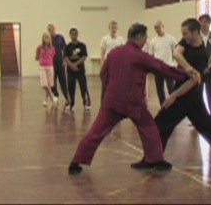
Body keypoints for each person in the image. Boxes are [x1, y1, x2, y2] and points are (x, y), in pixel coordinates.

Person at [68, 23, 188, 175]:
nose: (146, 40)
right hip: (133, 102)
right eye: (145, 37)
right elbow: (162, 68)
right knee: (149, 128)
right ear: (139, 37)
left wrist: (112, 88)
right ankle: (156, 159)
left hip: (111, 101)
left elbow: (103, 74)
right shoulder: (140, 55)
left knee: (96, 131)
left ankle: (76, 162)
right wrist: (184, 74)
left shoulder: (114, 53)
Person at [131, 19, 211, 169]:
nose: (183, 36)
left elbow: (191, 83)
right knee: (208, 127)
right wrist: (188, 68)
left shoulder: (202, 56)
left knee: (161, 123)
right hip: (190, 97)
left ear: (195, 32)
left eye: (185, 33)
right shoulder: (186, 42)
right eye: (182, 33)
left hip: (188, 96)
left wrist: (173, 96)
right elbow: (176, 54)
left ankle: (152, 159)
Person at [148, 21, 177, 106]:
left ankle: (174, 105)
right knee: (159, 89)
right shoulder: (153, 41)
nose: (157, 29)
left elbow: (176, 51)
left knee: (171, 88)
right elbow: (151, 55)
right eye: (156, 28)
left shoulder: (171, 38)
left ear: (163, 27)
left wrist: (175, 63)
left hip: (169, 67)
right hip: (158, 68)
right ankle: (163, 106)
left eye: (159, 27)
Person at [64, 28, 91, 111]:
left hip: (80, 70)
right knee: (71, 87)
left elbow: (84, 57)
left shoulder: (82, 45)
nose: (74, 36)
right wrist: (71, 65)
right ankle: (71, 103)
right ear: (70, 35)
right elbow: (66, 57)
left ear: (77, 35)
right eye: (72, 34)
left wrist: (76, 64)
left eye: (75, 34)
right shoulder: (67, 47)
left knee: (83, 86)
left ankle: (86, 102)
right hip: (70, 71)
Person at [100, 21, 125, 102]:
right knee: (105, 85)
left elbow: (124, 53)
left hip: (118, 66)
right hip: (108, 65)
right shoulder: (104, 39)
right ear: (109, 28)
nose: (114, 29)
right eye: (112, 27)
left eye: (115, 28)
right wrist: (102, 66)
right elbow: (102, 53)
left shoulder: (121, 39)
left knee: (117, 85)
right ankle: (104, 103)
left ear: (117, 29)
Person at [47, 24, 70, 108]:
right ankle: (55, 95)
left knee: (63, 80)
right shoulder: (48, 39)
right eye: (49, 30)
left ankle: (67, 98)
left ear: (54, 29)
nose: (50, 31)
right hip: (51, 63)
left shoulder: (60, 37)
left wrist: (65, 60)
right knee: (52, 81)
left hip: (60, 62)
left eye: (51, 29)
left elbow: (65, 49)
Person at [35, 32, 56, 107]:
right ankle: (52, 98)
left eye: (47, 38)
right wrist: (40, 56)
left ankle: (46, 100)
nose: (46, 39)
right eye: (45, 38)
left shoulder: (52, 48)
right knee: (44, 84)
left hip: (50, 66)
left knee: (49, 84)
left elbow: (52, 57)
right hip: (42, 67)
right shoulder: (39, 47)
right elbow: (36, 57)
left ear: (49, 39)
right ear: (43, 39)